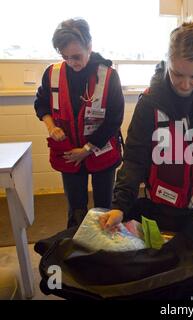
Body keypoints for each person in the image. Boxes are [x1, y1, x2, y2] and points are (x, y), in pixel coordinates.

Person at [99, 20, 193, 297]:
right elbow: (134, 158)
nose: (185, 84)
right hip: (160, 206)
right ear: (168, 61)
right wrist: (120, 204)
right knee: (164, 277)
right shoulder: (150, 101)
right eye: (177, 74)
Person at [34, 18, 124, 228]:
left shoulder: (109, 76)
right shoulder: (52, 73)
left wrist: (87, 149)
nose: (72, 62)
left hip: (101, 150)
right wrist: (51, 126)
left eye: (77, 56)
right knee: (76, 208)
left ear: (90, 47)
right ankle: (76, 249)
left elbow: (114, 119)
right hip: (69, 153)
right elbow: (41, 103)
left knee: (104, 207)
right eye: (65, 57)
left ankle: (105, 250)